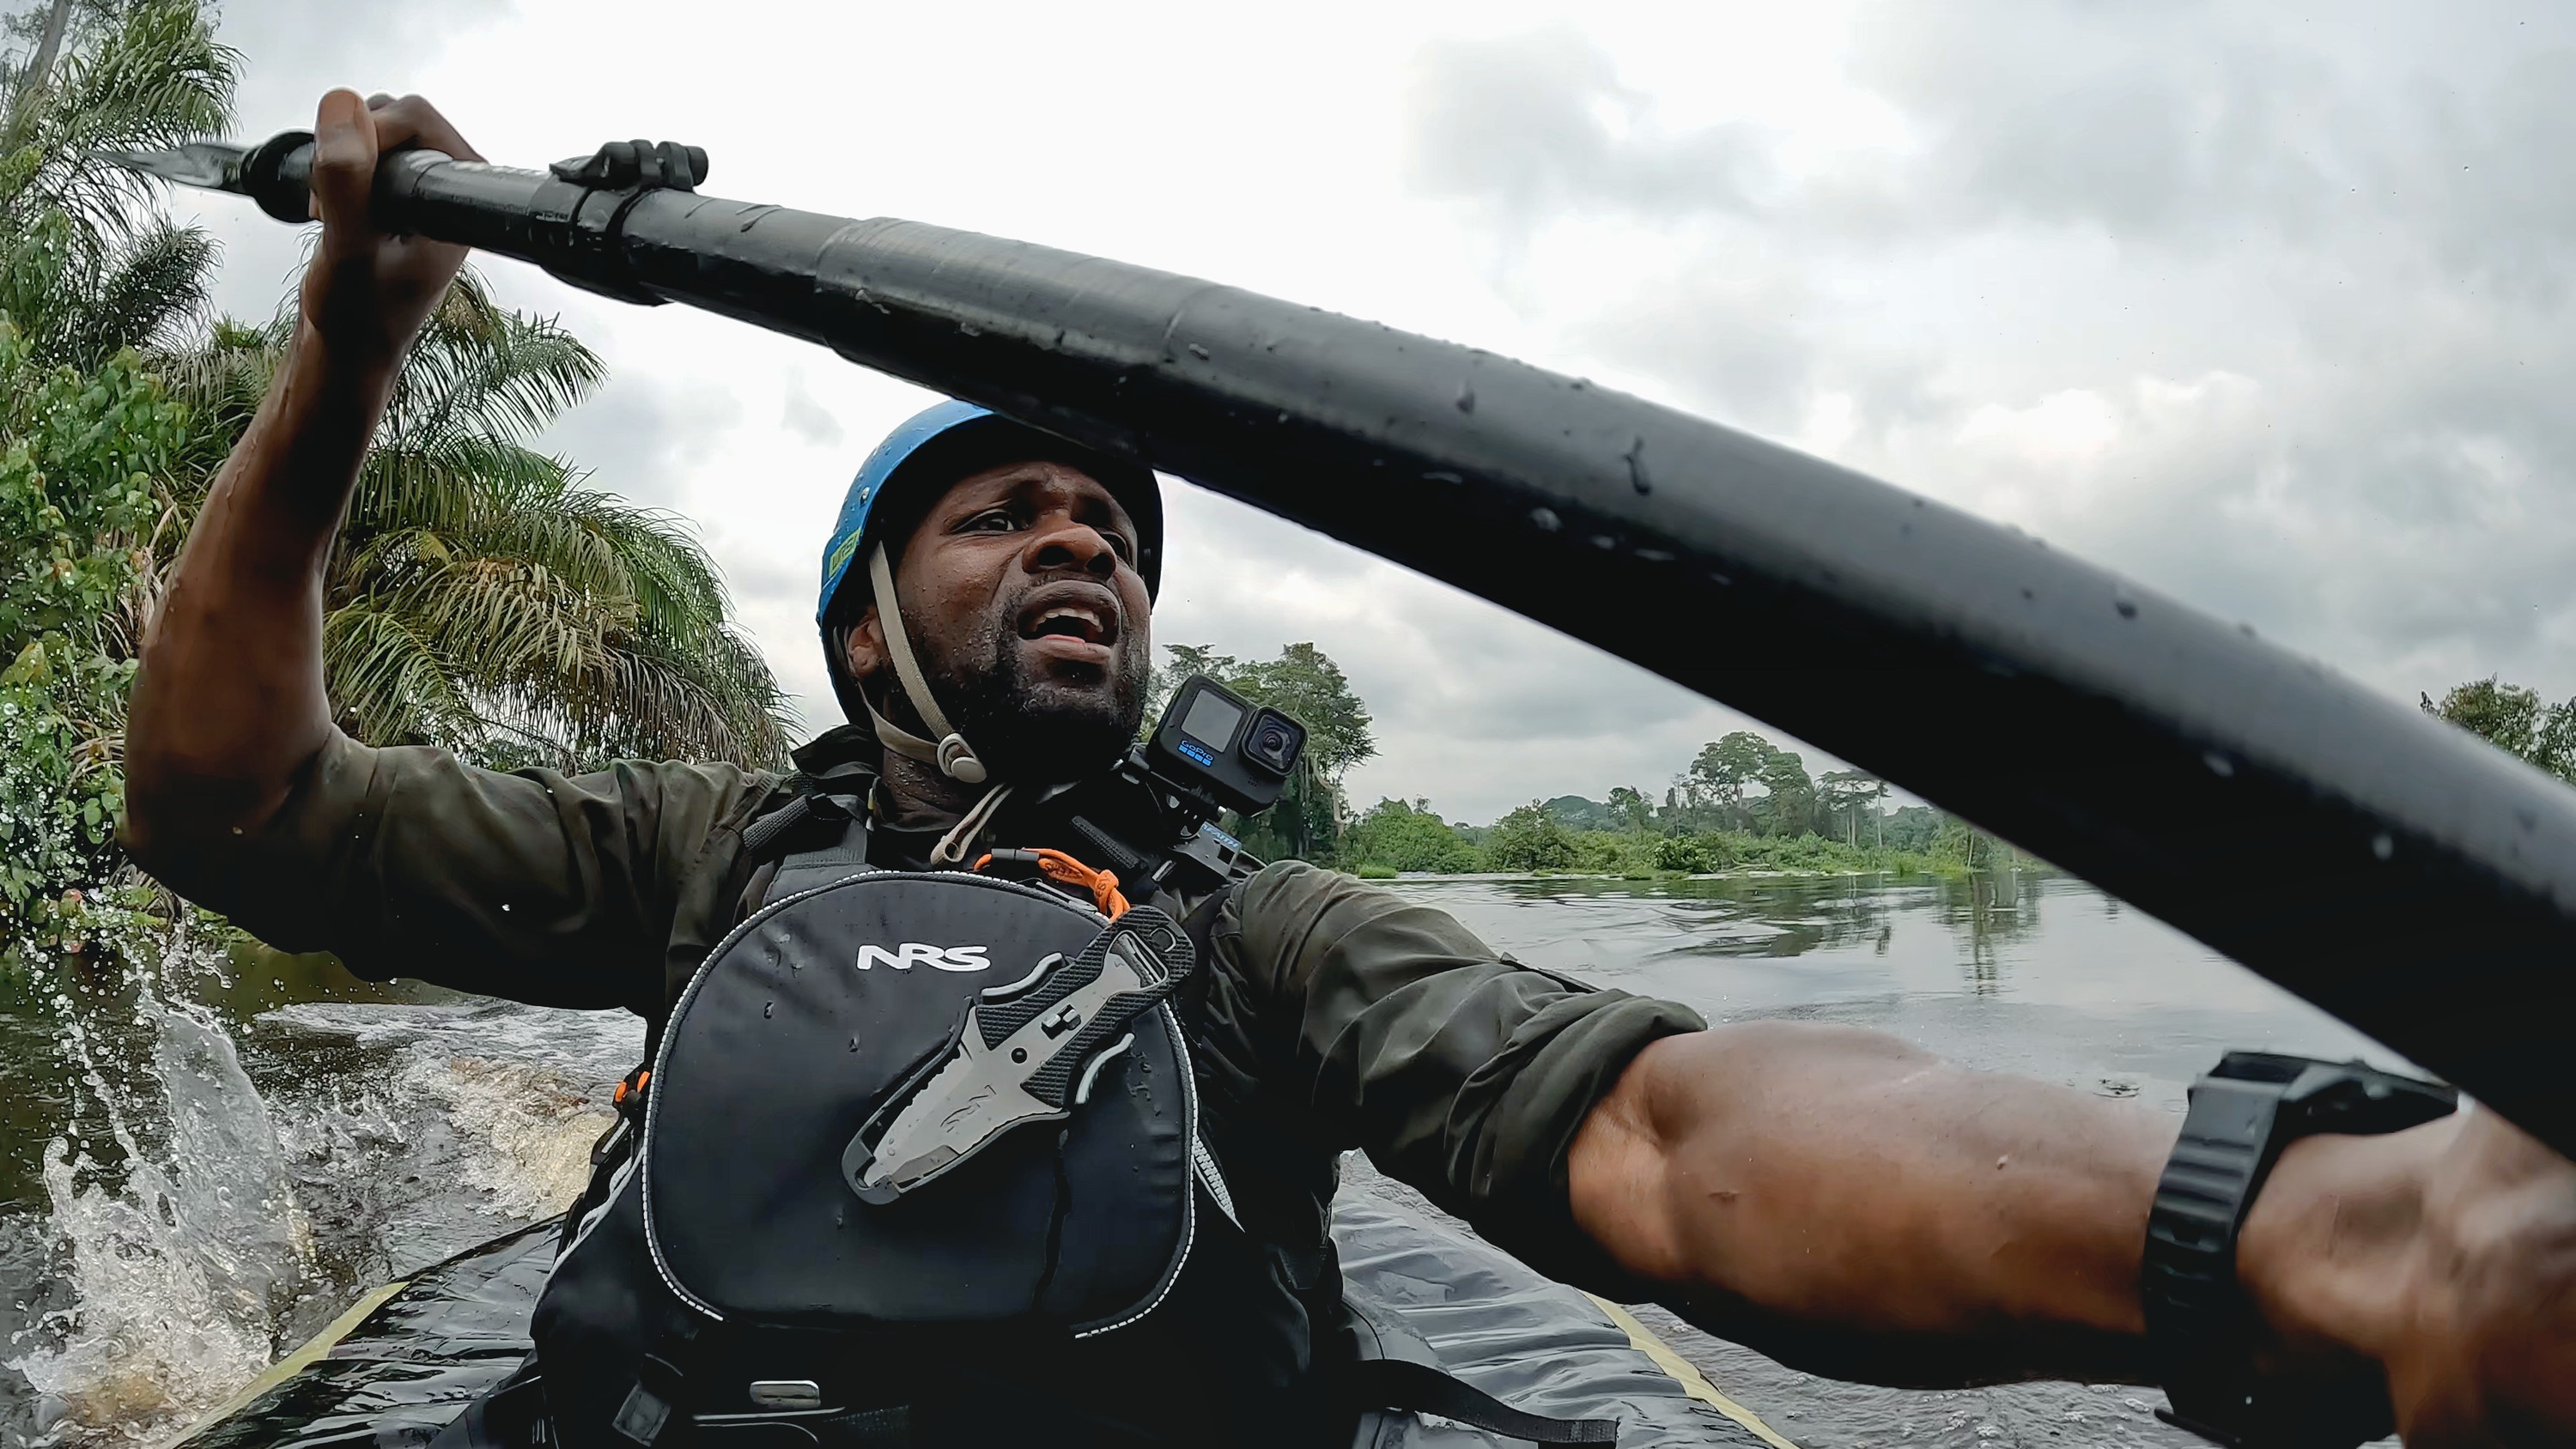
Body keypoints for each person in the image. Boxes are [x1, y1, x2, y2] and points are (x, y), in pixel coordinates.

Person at [122, 91, 2576, 1449]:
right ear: (866, 612)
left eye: (1113, 526)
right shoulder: (695, 855)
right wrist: (347, 342)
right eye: (1001, 515)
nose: (1078, 540)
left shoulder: (1260, 936)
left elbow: (1674, 1137)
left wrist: (2309, 1233)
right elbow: (231, 803)